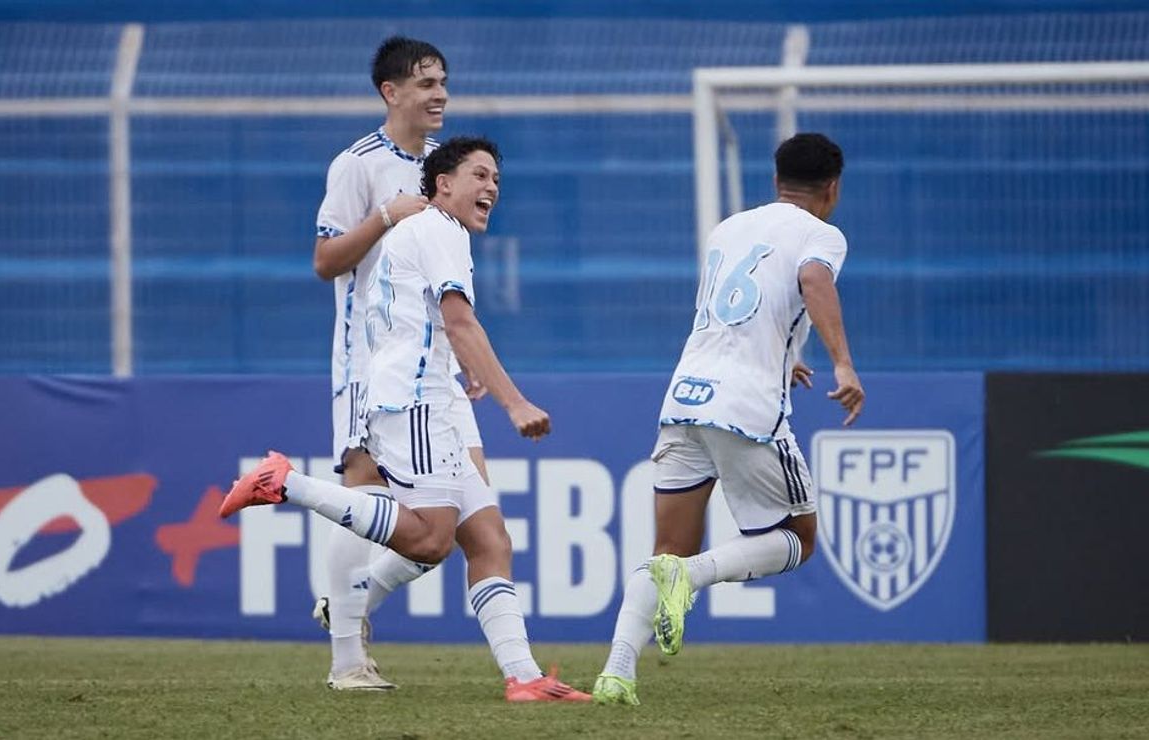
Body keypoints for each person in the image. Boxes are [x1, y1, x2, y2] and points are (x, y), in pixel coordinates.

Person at [223, 136, 590, 703]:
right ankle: (286, 484)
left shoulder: (423, 233)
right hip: (415, 403)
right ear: (443, 183)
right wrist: (513, 402)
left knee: (489, 540)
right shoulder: (440, 229)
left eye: (496, 178)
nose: (492, 186)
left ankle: (524, 677)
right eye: (480, 175)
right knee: (430, 542)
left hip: (427, 395)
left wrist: (458, 367)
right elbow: (460, 322)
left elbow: (428, 326)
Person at [591, 133, 865, 706]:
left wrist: (784, 356)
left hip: (685, 397)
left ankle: (617, 674)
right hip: (746, 407)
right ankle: (689, 579)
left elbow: (729, 311)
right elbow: (813, 281)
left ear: (775, 181)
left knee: (668, 545)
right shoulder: (822, 234)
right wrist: (842, 364)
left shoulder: (729, 227)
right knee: (797, 537)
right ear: (832, 188)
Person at [310, 36, 494, 692]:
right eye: (424, 82)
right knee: (366, 491)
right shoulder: (358, 165)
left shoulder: (447, 170)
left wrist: (464, 355)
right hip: (371, 362)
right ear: (391, 92)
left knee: (460, 514)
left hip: (436, 369)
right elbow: (325, 260)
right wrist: (388, 214)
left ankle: (351, 602)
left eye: (443, 80)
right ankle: (345, 660)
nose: (439, 93)